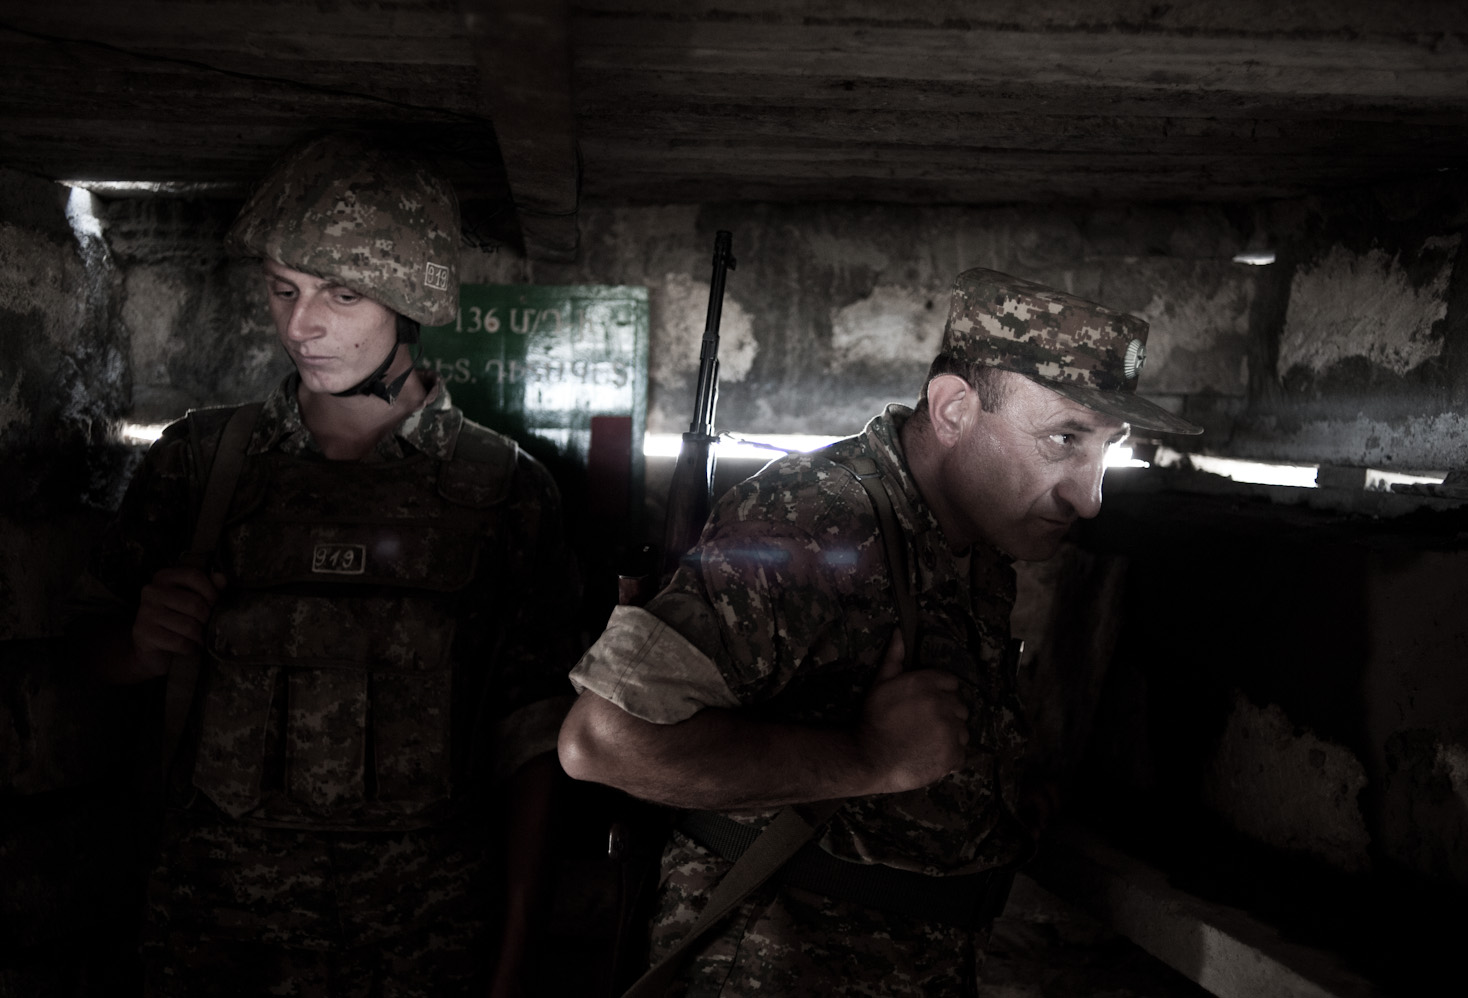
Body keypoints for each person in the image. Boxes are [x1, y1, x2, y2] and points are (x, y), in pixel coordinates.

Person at [557, 268, 1202, 997]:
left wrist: (991, 798)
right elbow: (601, 740)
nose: (1090, 497)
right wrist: (867, 758)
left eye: (1106, 447)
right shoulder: (818, 519)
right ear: (954, 409)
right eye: (1063, 438)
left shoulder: (978, 536)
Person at [72, 133, 579, 996]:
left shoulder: (503, 490)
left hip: (421, 940)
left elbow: (534, 738)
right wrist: (141, 646)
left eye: (341, 294)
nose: (302, 325)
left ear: (407, 303)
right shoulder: (200, 460)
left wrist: (517, 950)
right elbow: (83, 663)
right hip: (209, 934)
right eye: (285, 289)